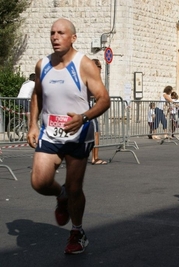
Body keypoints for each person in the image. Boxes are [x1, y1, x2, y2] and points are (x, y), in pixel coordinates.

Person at [27, 18, 110, 254]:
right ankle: (60, 195)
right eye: (52, 32)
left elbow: (104, 99)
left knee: (75, 188)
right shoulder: (42, 64)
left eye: (61, 33)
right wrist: (32, 125)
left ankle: (77, 231)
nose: (55, 37)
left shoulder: (83, 64)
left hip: (79, 134)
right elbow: (37, 95)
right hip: (50, 133)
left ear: (73, 37)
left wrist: (83, 118)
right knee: (39, 182)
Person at [90, 59, 107, 165]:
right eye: (100, 66)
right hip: (89, 110)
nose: (101, 69)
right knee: (96, 133)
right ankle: (95, 158)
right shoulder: (92, 78)